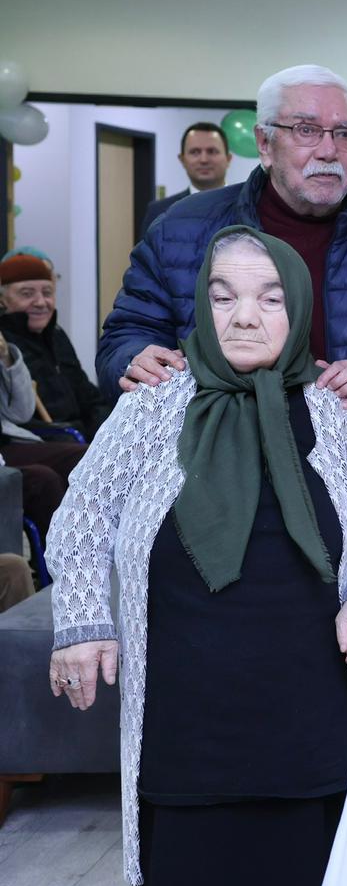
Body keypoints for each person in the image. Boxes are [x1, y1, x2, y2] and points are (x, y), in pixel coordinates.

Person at [48, 228, 347, 886]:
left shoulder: (333, 407)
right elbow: (83, 515)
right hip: (188, 716)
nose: (244, 317)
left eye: (270, 299)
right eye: (223, 298)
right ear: (200, 305)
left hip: (312, 707)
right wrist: (83, 622)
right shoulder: (153, 402)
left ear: (299, 308)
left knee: (314, 869)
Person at [97, 64, 347, 562]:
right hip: (207, 484)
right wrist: (134, 358)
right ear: (264, 143)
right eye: (306, 130)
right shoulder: (182, 227)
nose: (329, 150)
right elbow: (125, 334)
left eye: (344, 134)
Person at [0, 248, 113, 437]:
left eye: (47, 292)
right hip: (43, 440)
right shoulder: (4, 344)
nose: (41, 302)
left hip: (79, 436)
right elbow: (18, 417)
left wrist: (109, 429)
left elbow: (87, 396)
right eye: (27, 294)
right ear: (3, 299)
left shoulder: (56, 335)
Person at [0, 320, 85, 567]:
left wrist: (7, 359)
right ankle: (66, 566)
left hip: (8, 443)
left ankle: (108, 551)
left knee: (84, 458)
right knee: (43, 479)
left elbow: (21, 413)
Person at [140, 121, 231, 238]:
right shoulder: (159, 212)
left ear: (228, 158)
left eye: (212, 151)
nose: (203, 160)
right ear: (182, 160)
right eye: (195, 152)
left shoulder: (248, 207)